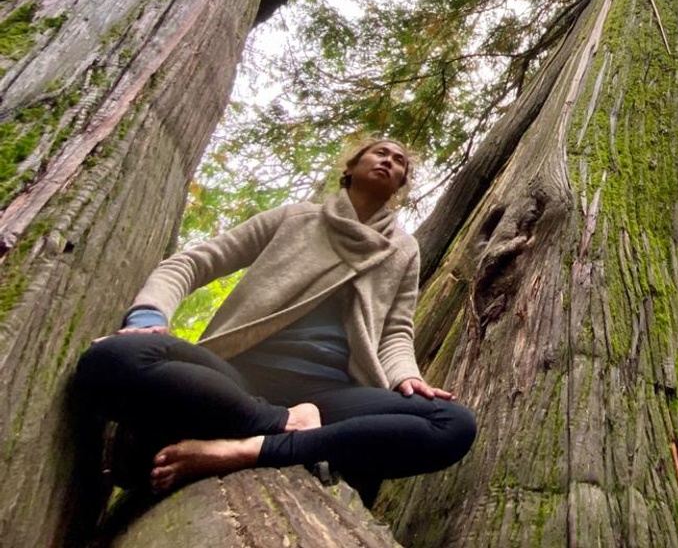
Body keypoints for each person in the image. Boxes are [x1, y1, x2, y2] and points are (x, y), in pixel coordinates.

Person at [73, 138, 475, 501]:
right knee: (112, 358)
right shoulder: (295, 218)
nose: (389, 160)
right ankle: (282, 423)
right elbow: (194, 263)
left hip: (333, 394)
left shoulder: (403, 250)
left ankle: (250, 448)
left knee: (453, 424)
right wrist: (147, 316)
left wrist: (406, 376)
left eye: (400, 161)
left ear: (401, 185)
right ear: (349, 168)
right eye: (380, 152)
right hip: (238, 377)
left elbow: (396, 331)